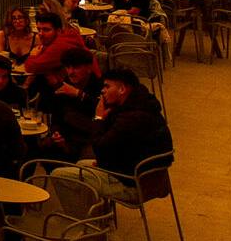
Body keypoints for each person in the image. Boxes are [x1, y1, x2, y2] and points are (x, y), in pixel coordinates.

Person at [56, 68, 172, 204]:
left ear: (122, 89)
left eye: (107, 86)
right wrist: (105, 162)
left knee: (59, 175)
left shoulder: (131, 118)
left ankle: (85, 223)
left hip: (132, 184)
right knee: (81, 164)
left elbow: (99, 149)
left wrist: (99, 118)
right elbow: (120, 148)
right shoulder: (143, 106)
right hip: (146, 176)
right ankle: (98, 218)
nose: (102, 91)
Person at [37, 47, 102, 161]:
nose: (71, 72)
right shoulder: (64, 87)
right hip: (67, 137)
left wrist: (78, 94)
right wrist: (57, 135)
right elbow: (56, 118)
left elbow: (101, 110)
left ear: (89, 68)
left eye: (76, 67)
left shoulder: (100, 86)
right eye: (68, 67)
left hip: (91, 137)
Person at [22, 10, 93, 88]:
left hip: (78, 91)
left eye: (46, 30)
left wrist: (32, 55)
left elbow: (31, 67)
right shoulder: (63, 37)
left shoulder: (60, 45)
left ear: (58, 31)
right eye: (39, 30)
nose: (40, 34)